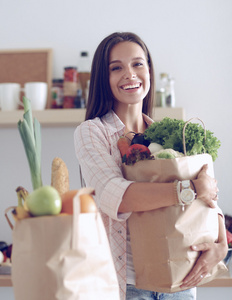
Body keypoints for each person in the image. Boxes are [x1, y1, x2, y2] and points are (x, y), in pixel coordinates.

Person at [74, 32, 228, 300]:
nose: (130, 74)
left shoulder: (169, 134)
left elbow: (208, 197)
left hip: (182, 277)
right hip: (129, 284)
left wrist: (221, 244)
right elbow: (115, 195)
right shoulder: (92, 132)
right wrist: (189, 188)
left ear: (149, 70)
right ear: (103, 78)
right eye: (116, 68)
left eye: (137, 64)